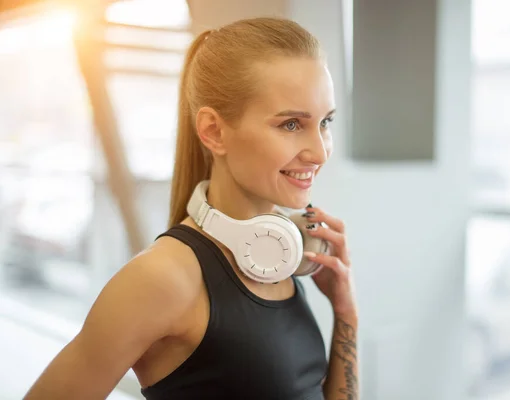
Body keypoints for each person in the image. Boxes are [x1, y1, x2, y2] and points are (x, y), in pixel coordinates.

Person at [24, 17, 358, 400]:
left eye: (325, 122)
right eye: (291, 125)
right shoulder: (161, 279)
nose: (319, 151)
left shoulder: (280, 256)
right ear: (214, 131)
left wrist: (346, 313)